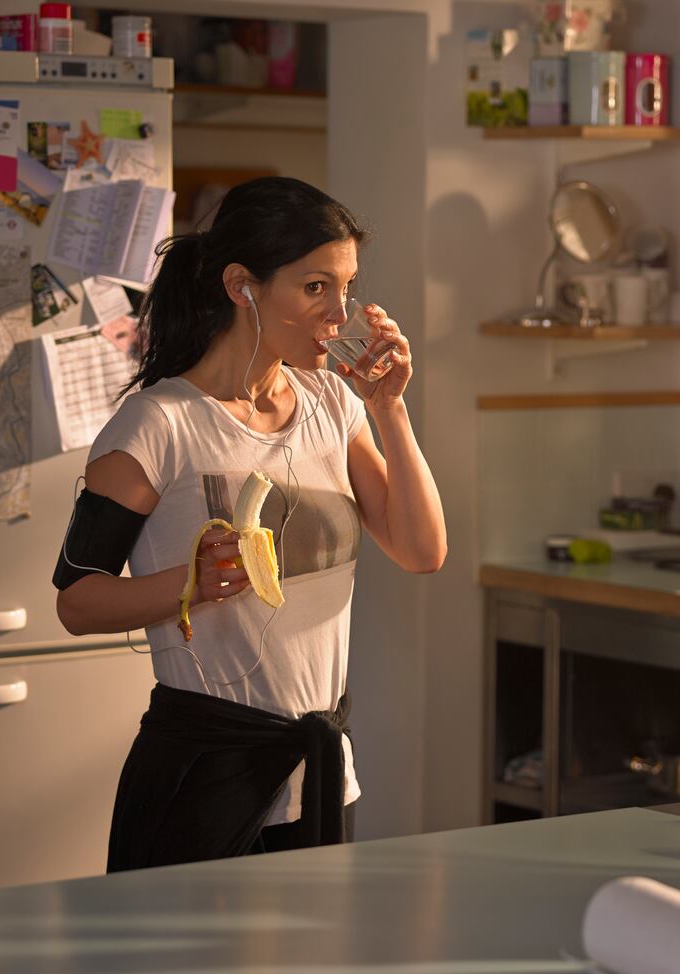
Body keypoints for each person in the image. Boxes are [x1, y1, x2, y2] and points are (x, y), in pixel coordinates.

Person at [52, 177, 446, 871]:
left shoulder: (332, 403)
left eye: (346, 289)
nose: (339, 313)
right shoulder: (157, 425)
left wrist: (389, 409)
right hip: (204, 774)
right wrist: (192, 584)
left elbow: (421, 551)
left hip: (319, 770)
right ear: (243, 286)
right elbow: (78, 601)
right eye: (315, 288)